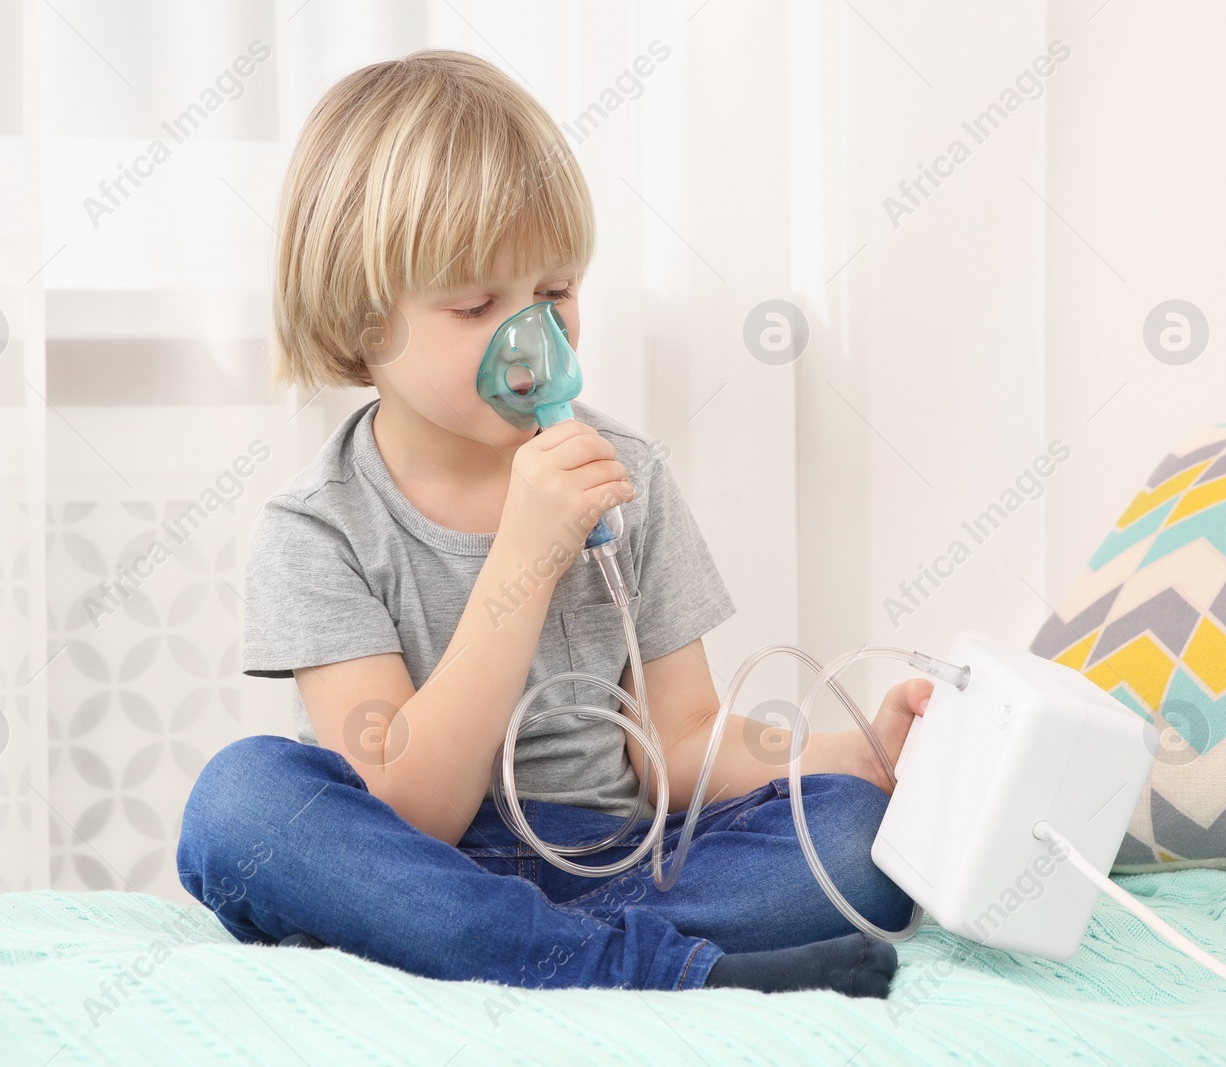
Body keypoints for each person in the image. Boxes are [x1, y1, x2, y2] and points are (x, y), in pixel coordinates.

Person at [176, 48, 930, 997]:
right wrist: (524, 561)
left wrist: (859, 754)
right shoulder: (318, 531)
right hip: (417, 860)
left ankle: (513, 951)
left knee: (858, 840)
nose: (532, 337)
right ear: (365, 325)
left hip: (618, 859)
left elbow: (683, 746)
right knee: (239, 806)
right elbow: (413, 808)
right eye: (475, 303)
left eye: (554, 291)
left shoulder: (627, 477)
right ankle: (644, 967)